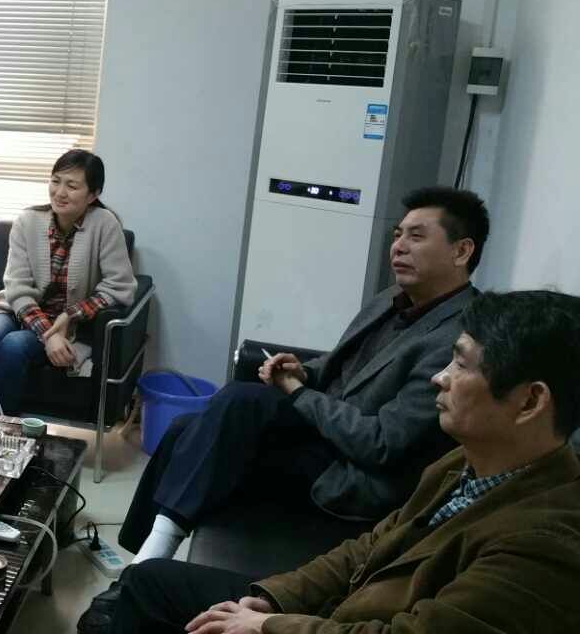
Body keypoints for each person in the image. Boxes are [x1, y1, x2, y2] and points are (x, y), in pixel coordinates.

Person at [109, 290, 580, 633]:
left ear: (529, 402)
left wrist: (269, 626)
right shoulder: (464, 463)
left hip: (346, 600)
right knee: (147, 581)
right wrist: (273, 598)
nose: (440, 378)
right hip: (338, 609)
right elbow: (369, 547)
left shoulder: (542, 545)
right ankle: (147, 553)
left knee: (237, 407)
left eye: (460, 364)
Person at [120, 187, 490, 565]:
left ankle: (149, 560)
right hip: (324, 434)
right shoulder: (393, 297)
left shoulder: (457, 338)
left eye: (416, 236)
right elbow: (343, 363)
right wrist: (305, 372)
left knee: (240, 400)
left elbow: (381, 444)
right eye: (397, 235)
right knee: (184, 427)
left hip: (354, 470)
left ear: (461, 251)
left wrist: (298, 392)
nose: (398, 247)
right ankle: (142, 557)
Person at [0, 149, 136, 415]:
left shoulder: (105, 225)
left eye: (72, 186)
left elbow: (119, 286)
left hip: (69, 325)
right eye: (55, 181)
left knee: (14, 346)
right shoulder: (27, 221)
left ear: (93, 194)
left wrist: (69, 315)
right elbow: (17, 287)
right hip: (16, 310)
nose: (60, 192)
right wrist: (49, 335)